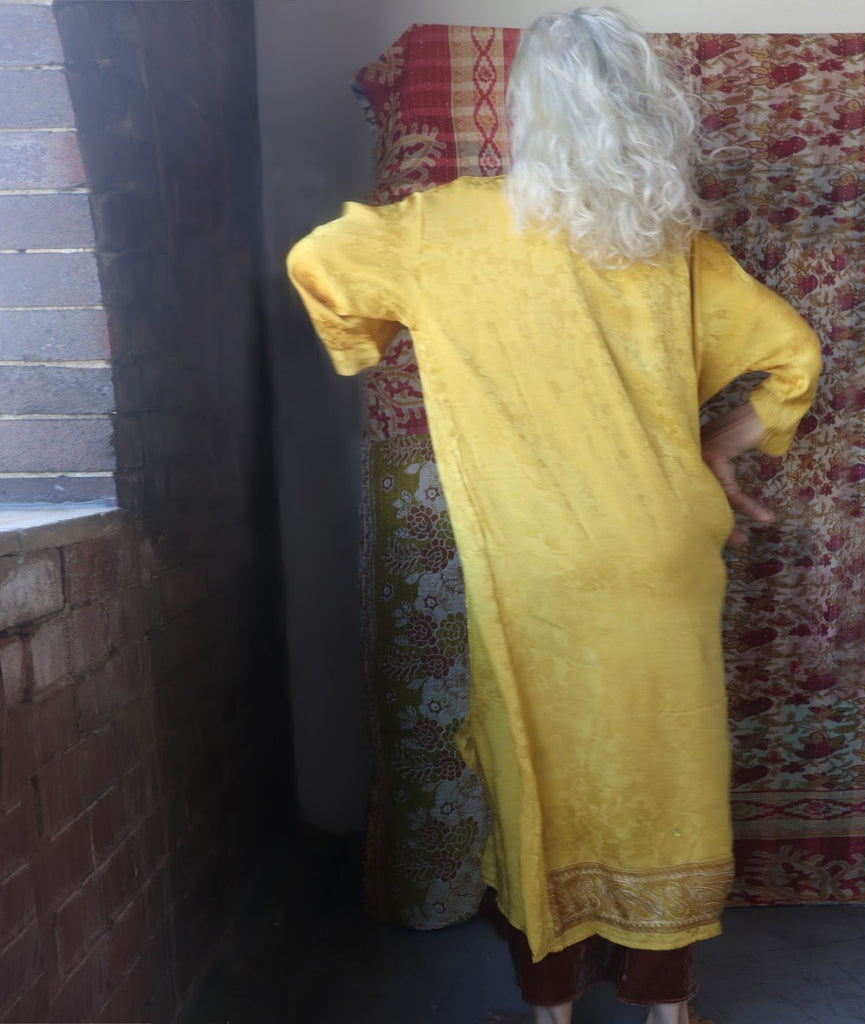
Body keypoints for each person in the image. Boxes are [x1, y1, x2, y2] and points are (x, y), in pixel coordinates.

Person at [287, 7, 820, 1023]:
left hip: (536, 570)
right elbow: (794, 357)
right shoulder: (672, 249)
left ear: (527, 107)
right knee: (667, 777)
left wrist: (368, 344)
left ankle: (552, 1011)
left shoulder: (441, 228)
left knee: (544, 782)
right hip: (665, 555)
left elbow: (321, 262)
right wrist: (715, 444)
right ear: (648, 110)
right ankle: (669, 1010)